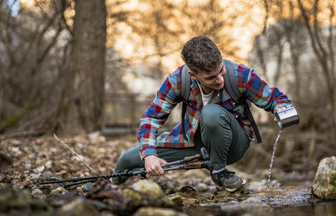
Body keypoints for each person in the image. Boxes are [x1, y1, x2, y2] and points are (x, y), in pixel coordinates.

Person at [114, 35, 292, 192]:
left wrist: (282, 108)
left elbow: (274, 98)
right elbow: (152, 117)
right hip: (194, 141)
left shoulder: (240, 75)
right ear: (193, 74)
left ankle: (220, 172)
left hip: (234, 143)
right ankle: (111, 185)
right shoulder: (177, 80)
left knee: (211, 113)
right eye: (211, 78)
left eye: (220, 71)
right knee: (127, 159)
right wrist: (150, 155)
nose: (220, 80)